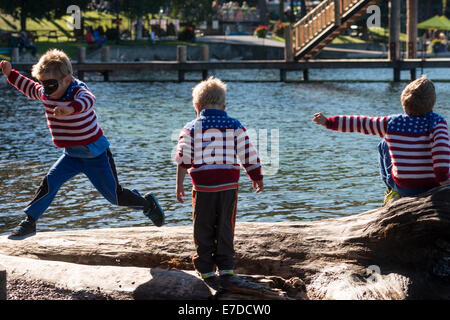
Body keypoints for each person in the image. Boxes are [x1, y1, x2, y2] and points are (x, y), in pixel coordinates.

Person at [0, 49, 165, 239]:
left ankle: (147, 204)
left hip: (95, 154)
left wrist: (70, 109)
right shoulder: (46, 93)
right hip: (71, 155)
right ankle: (29, 222)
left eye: (52, 84)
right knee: (50, 182)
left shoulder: (77, 90)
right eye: (43, 83)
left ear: (67, 80)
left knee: (114, 197)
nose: (46, 89)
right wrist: (10, 74)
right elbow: (29, 87)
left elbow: (89, 99)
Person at [174, 77, 263, 282]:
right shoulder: (234, 124)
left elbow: (183, 158)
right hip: (228, 185)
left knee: (202, 225)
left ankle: (205, 268)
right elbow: (248, 153)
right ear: (224, 106)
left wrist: (179, 185)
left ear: (197, 106)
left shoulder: (191, 127)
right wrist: (256, 176)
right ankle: (225, 266)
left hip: (203, 185)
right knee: (225, 224)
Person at [312, 75, 450, 205]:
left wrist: (328, 122)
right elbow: (441, 158)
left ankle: (391, 190)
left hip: (404, 187)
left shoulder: (392, 123)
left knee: (384, 144)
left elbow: (359, 123)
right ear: (432, 103)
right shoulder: (438, 123)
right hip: (433, 185)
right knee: (442, 145)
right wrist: (445, 183)